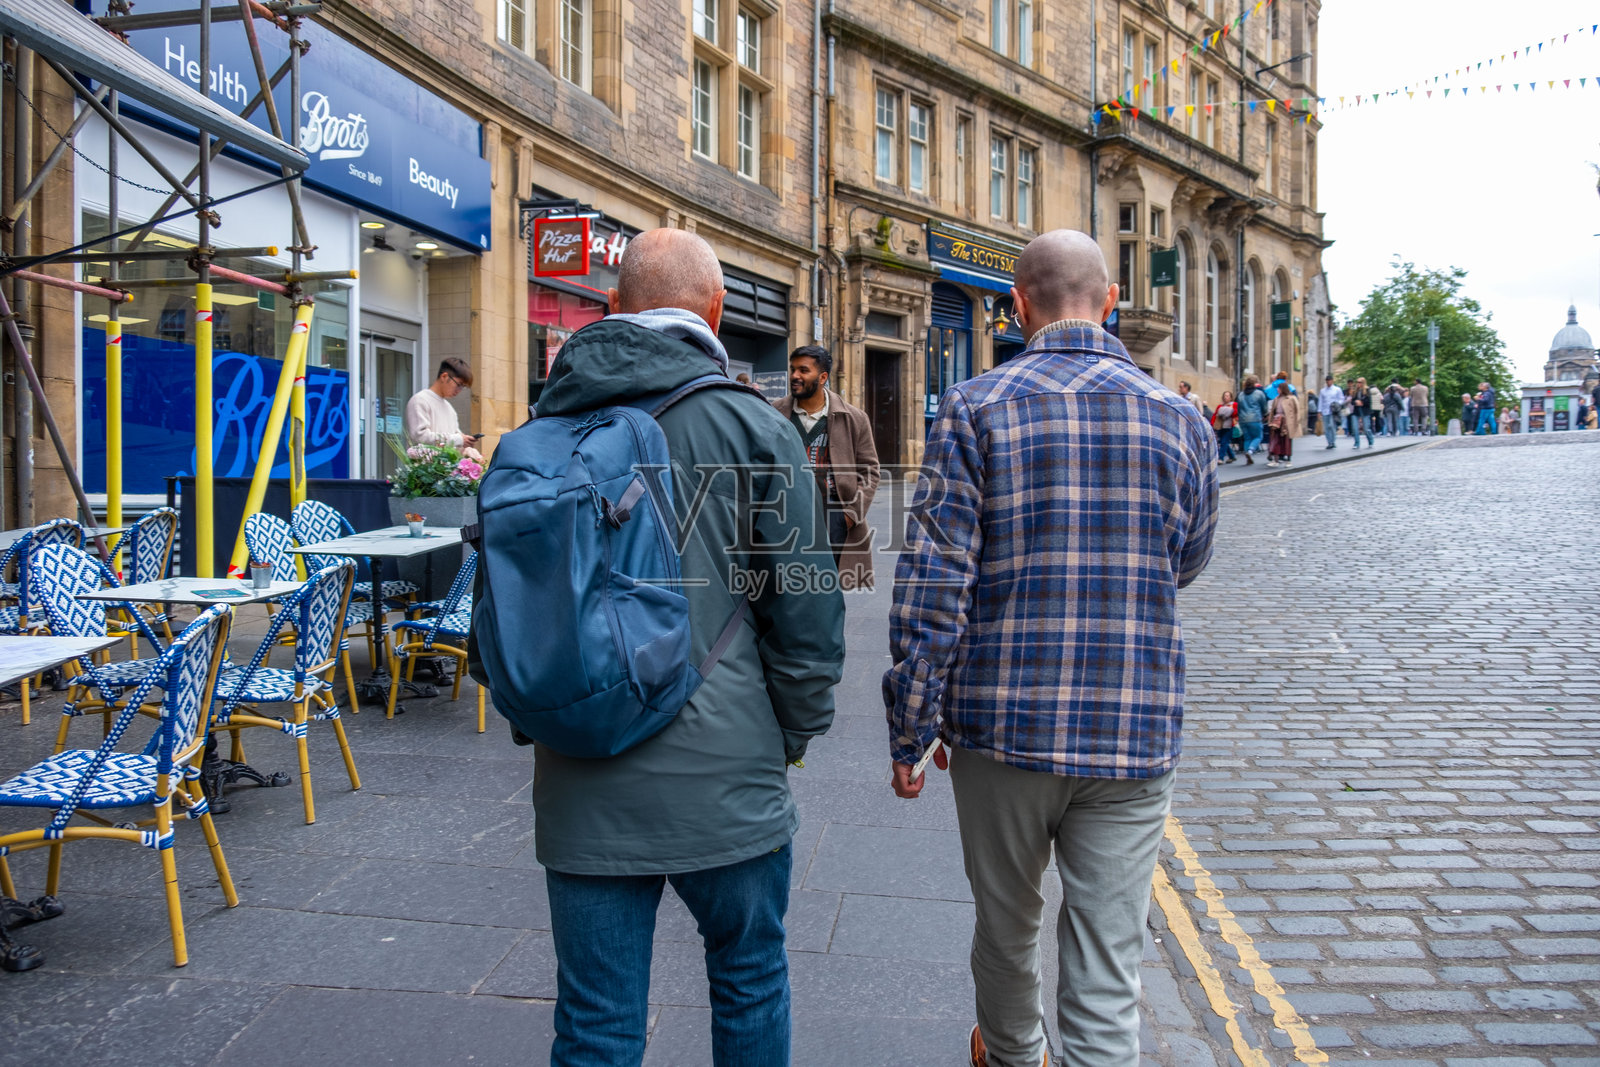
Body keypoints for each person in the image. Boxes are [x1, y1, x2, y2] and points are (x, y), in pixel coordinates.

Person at [885, 230, 1218, 1067]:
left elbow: (933, 585)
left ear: (1016, 306)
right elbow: (1189, 559)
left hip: (1004, 729)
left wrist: (911, 728)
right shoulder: (1182, 418)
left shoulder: (974, 407)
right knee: (1109, 964)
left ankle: (1012, 1052)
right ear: (1109, 303)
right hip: (1133, 732)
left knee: (1006, 927)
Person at [529, 228, 846, 1066]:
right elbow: (808, 617)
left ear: (616, 309)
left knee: (595, 1023)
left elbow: (504, 620)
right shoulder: (757, 429)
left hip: (583, 770)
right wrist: (793, 737)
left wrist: (544, 721)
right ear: (713, 312)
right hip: (730, 773)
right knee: (748, 980)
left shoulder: (547, 426)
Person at [772, 345, 882, 590]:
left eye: (803, 370)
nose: (794, 376)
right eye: (792, 370)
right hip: (786, 510)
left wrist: (850, 516)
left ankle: (827, 628)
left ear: (823, 377)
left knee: (828, 586)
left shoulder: (854, 418)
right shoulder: (774, 412)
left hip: (833, 511)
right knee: (784, 583)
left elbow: (870, 472)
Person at [404, 357, 482, 448]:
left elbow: (457, 442)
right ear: (444, 377)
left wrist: (469, 449)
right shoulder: (420, 400)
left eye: (463, 387)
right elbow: (419, 436)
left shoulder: (450, 409)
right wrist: (459, 439)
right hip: (423, 461)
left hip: (447, 462)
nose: (459, 390)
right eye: (459, 385)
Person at [1266, 379, 1302, 468]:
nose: (1277, 389)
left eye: (1279, 388)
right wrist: (1270, 421)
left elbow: (1297, 411)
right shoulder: (1276, 399)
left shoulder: (1292, 398)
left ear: (1283, 389)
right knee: (1276, 441)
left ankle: (1288, 460)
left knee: (1287, 442)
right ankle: (1276, 460)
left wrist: (1296, 422)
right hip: (1276, 421)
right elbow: (1272, 411)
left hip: (1287, 423)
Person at [1237, 376, 1268, 456]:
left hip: (1242, 419)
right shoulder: (1259, 393)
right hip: (1255, 418)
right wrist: (1265, 414)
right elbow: (1264, 406)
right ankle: (1250, 450)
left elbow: (1238, 407)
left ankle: (1247, 453)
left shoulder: (1240, 394)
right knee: (1258, 437)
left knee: (1247, 438)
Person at [1211, 390, 1240, 464]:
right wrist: (1212, 424)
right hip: (1220, 425)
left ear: (1231, 397)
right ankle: (1232, 456)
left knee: (1224, 442)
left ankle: (1220, 458)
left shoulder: (1234, 404)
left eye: (1227, 396)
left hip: (1229, 426)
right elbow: (1216, 415)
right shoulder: (1220, 406)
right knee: (1224, 442)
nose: (1225, 397)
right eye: (1224, 396)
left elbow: (1235, 413)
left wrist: (1226, 411)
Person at [1317, 375, 1345, 450]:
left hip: (1333, 411)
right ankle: (1329, 442)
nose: (1328, 382)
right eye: (1327, 381)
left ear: (1332, 381)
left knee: (1332, 426)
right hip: (1325, 411)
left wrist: (1337, 404)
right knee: (1326, 428)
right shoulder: (1322, 391)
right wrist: (1319, 411)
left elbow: (1341, 399)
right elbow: (1321, 401)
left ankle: (1333, 441)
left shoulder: (1337, 389)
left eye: (1329, 380)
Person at [1348, 377, 1373, 448]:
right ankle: (1356, 443)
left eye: (1360, 382)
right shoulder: (1355, 391)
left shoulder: (1367, 390)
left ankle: (1370, 441)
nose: (1358, 383)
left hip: (1365, 411)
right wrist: (1355, 402)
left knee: (1366, 428)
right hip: (1356, 411)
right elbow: (1352, 401)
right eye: (1357, 382)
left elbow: (1369, 402)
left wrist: (1362, 402)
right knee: (1355, 428)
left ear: (1363, 383)